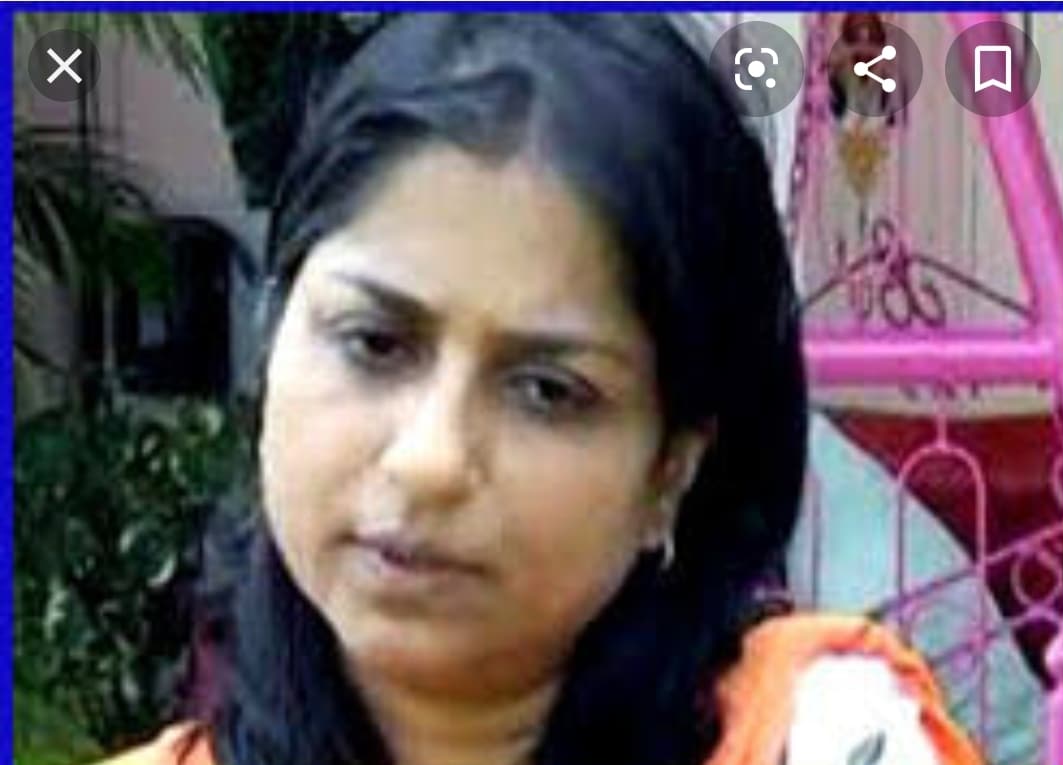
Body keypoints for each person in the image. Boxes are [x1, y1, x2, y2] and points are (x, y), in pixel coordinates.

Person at [98, 14, 982, 765]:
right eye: (375, 343)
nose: (431, 459)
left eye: (548, 391)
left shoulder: (823, 738)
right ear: (275, 336)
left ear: (671, 470)